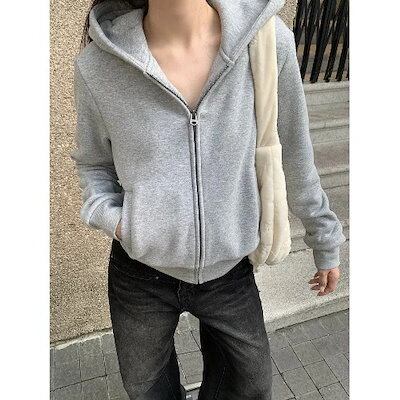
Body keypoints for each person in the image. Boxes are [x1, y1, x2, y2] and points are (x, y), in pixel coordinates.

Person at [70, 0, 347, 399]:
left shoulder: (267, 44)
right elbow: (94, 163)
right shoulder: (99, 65)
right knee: (147, 390)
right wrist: (122, 223)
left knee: (249, 385)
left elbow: (295, 152)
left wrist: (324, 235)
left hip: (229, 270)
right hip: (140, 272)